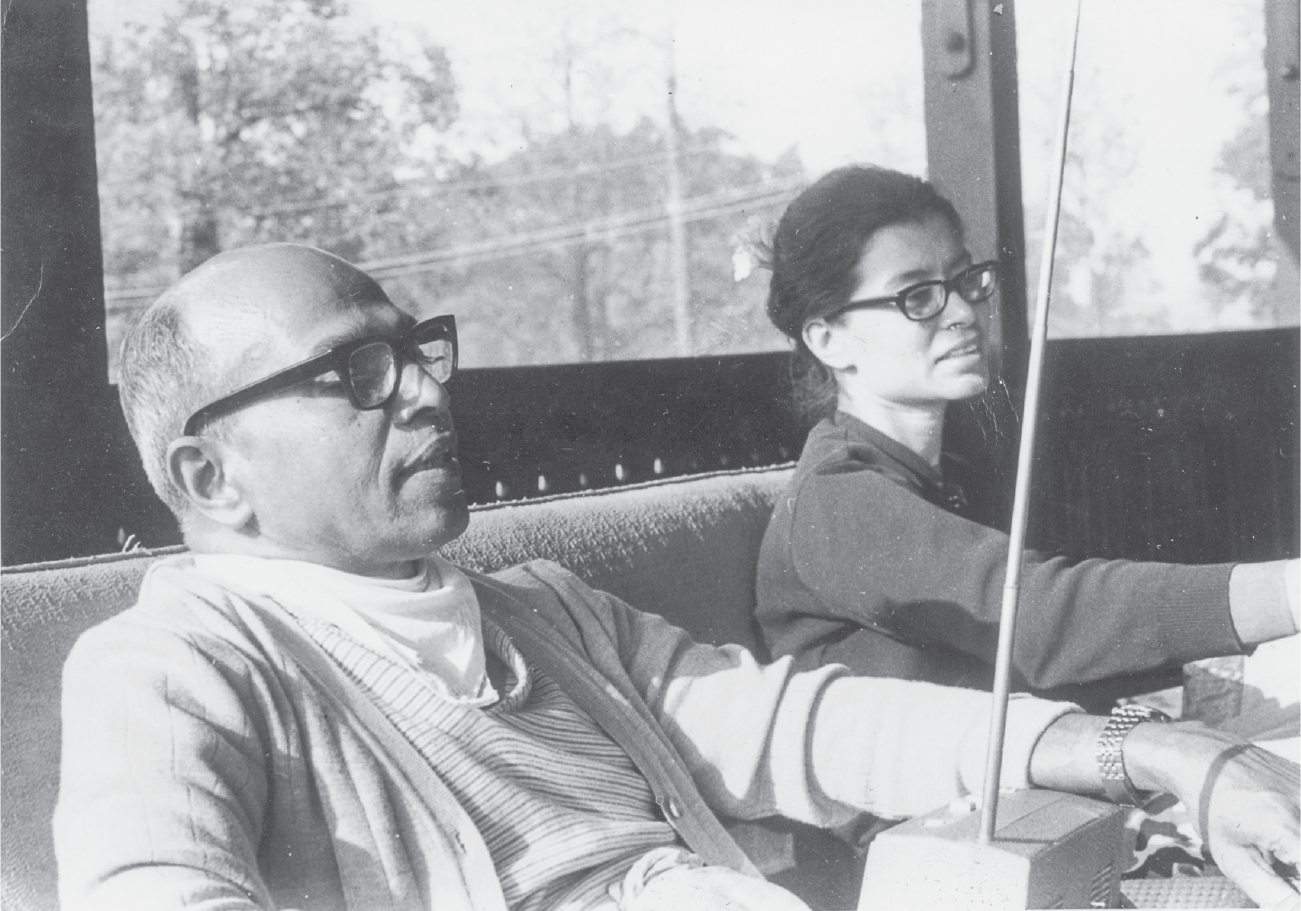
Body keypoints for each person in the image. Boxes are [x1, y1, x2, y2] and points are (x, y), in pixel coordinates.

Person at [54, 243, 1299, 910]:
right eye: (355, 373)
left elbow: (810, 725)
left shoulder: (545, 607)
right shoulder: (170, 668)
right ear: (210, 474)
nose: (425, 389)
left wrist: (1152, 751)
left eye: (418, 350)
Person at [756, 164, 1299, 704]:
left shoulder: (939, 477)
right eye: (916, 296)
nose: (964, 312)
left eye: (966, 281)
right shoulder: (837, 498)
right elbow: (1042, 618)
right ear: (828, 340)